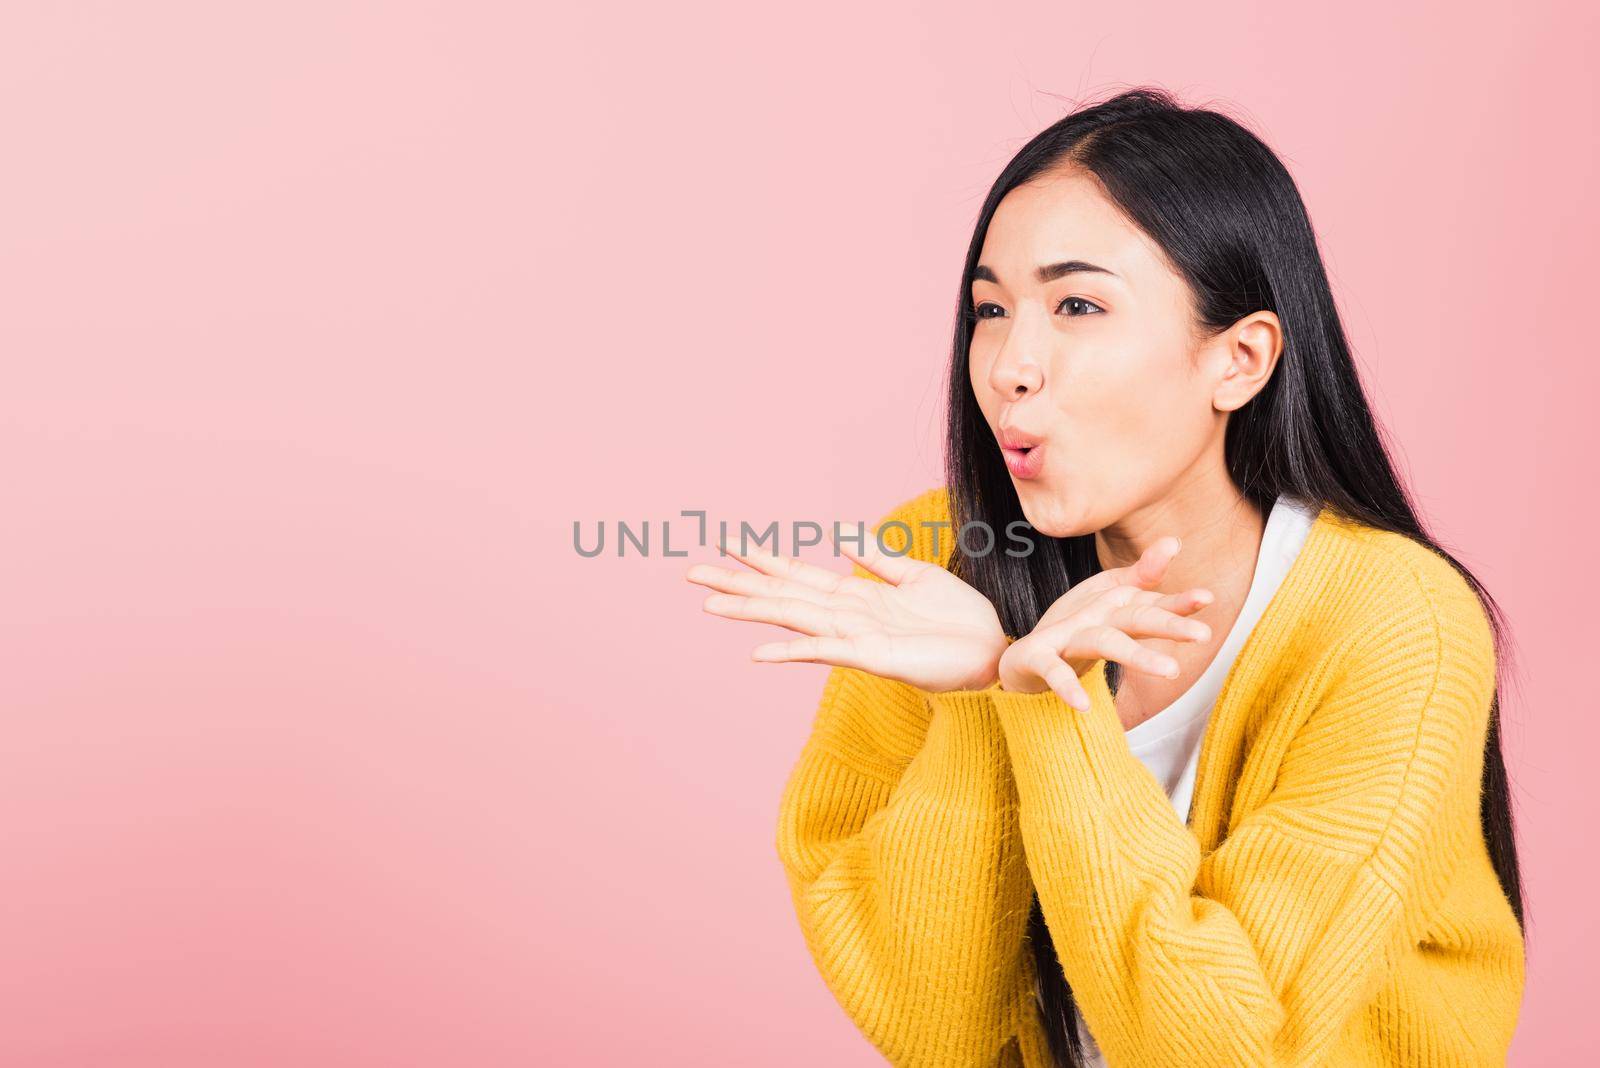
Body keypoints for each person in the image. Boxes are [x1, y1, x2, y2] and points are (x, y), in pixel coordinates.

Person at [684, 86, 1526, 1067]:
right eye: (989, 310)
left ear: (1239, 360)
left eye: (1077, 305)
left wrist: (1040, 701)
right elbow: (931, 1027)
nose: (1009, 365)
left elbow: (1230, 1048)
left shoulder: (1392, 620)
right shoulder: (934, 565)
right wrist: (978, 694)